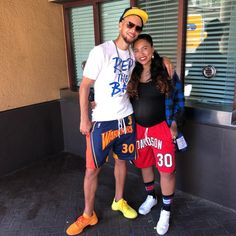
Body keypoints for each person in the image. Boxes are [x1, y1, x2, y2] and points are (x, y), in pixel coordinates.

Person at [66, 7, 173, 235]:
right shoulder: (101, 51)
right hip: (102, 122)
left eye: (138, 27)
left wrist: (163, 58)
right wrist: (84, 118)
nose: (133, 30)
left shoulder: (133, 57)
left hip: (126, 120)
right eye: (129, 24)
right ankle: (88, 214)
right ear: (120, 24)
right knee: (92, 170)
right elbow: (85, 85)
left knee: (122, 163)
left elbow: (147, 59)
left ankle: (119, 200)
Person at [127, 34, 185, 235]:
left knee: (167, 170)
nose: (140, 53)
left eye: (144, 48)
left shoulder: (165, 71)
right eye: (136, 50)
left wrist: (175, 124)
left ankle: (166, 211)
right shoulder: (132, 73)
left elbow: (179, 99)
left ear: (152, 50)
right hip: (139, 129)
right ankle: (151, 197)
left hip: (162, 127)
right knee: (145, 164)